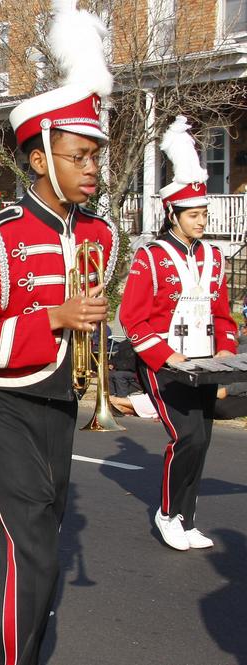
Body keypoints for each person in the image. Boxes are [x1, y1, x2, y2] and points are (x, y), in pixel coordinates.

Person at [0, 4, 117, 661]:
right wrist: (52, 318)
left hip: (62, 406)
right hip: (2, 401)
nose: (94, 169)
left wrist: (109, 377)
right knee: (34, 550)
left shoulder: (99, 233)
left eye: (97, 156)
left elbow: (97, 325)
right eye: (80, 156)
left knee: (37, 543)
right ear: (41, 159)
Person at [118, 116, 238, 551]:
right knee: (185, 436)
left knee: (202, 440)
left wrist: (224, 360)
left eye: (204, 213)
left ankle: (187, 519)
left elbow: (225, 317)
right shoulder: (149, 257)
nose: (202, 220)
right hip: (165, 363)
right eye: (194, 214)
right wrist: (168, 358)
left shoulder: (216, 257)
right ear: (173, 214)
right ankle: (168, 514)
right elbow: (133, 319)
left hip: (206, 363)